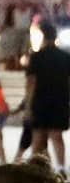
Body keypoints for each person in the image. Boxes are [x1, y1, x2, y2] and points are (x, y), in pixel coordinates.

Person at [22, 31, 70, 168]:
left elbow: (31, 82)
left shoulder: (37, 57)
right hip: (60, 101)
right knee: (57, 137)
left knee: (38, 139)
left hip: (40, 101)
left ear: (43, 38)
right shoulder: (65, 57)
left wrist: (28, 105)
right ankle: (61, 167)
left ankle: (38, 168)